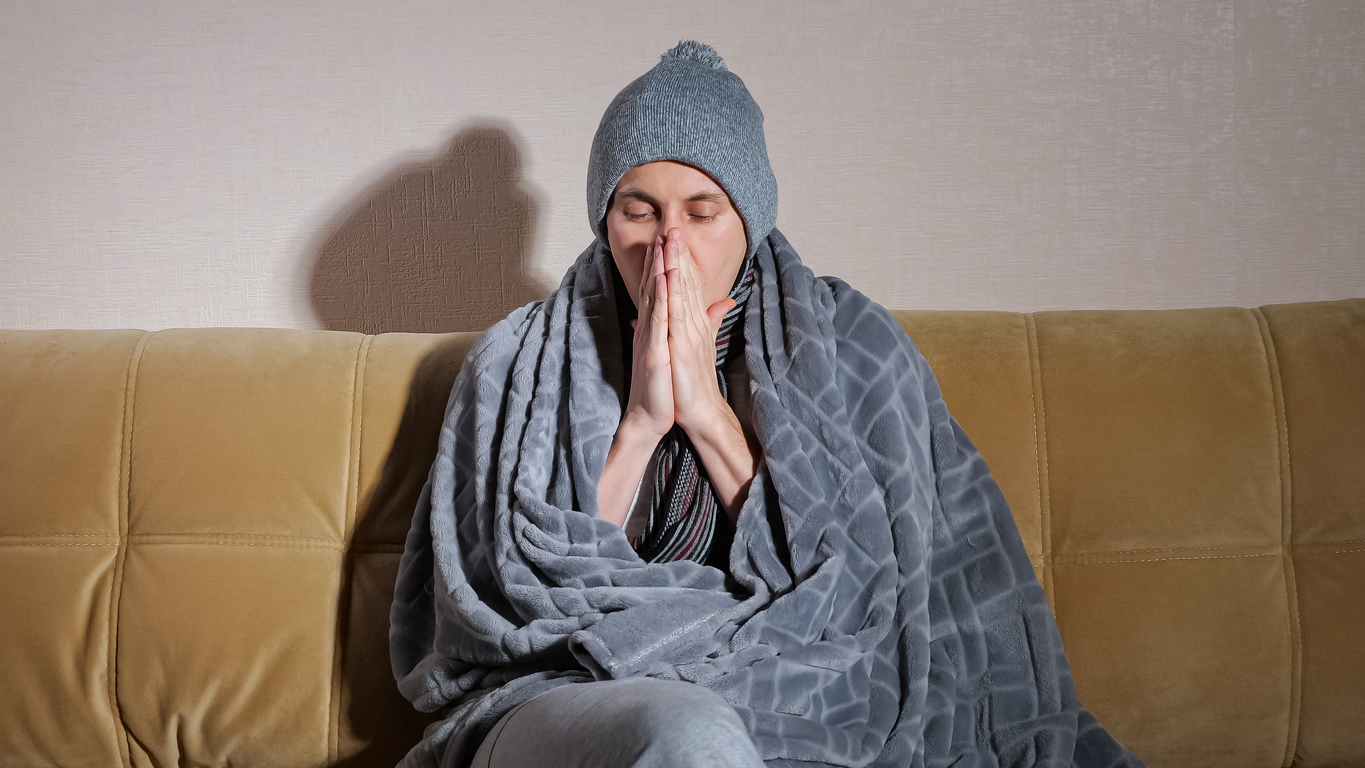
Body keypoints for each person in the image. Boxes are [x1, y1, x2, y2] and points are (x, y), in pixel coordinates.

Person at [390, 40, 1144, 768]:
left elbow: (853, 596)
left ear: (748, 220)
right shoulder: (515, 361)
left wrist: (708, 416)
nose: (667, 247)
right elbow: (496, 606)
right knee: (691, 734)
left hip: (808, 686)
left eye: (702, 209)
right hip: (564, 691)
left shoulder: (852, 347)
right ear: (604, 217)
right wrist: (645, 422)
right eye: (638, 209)